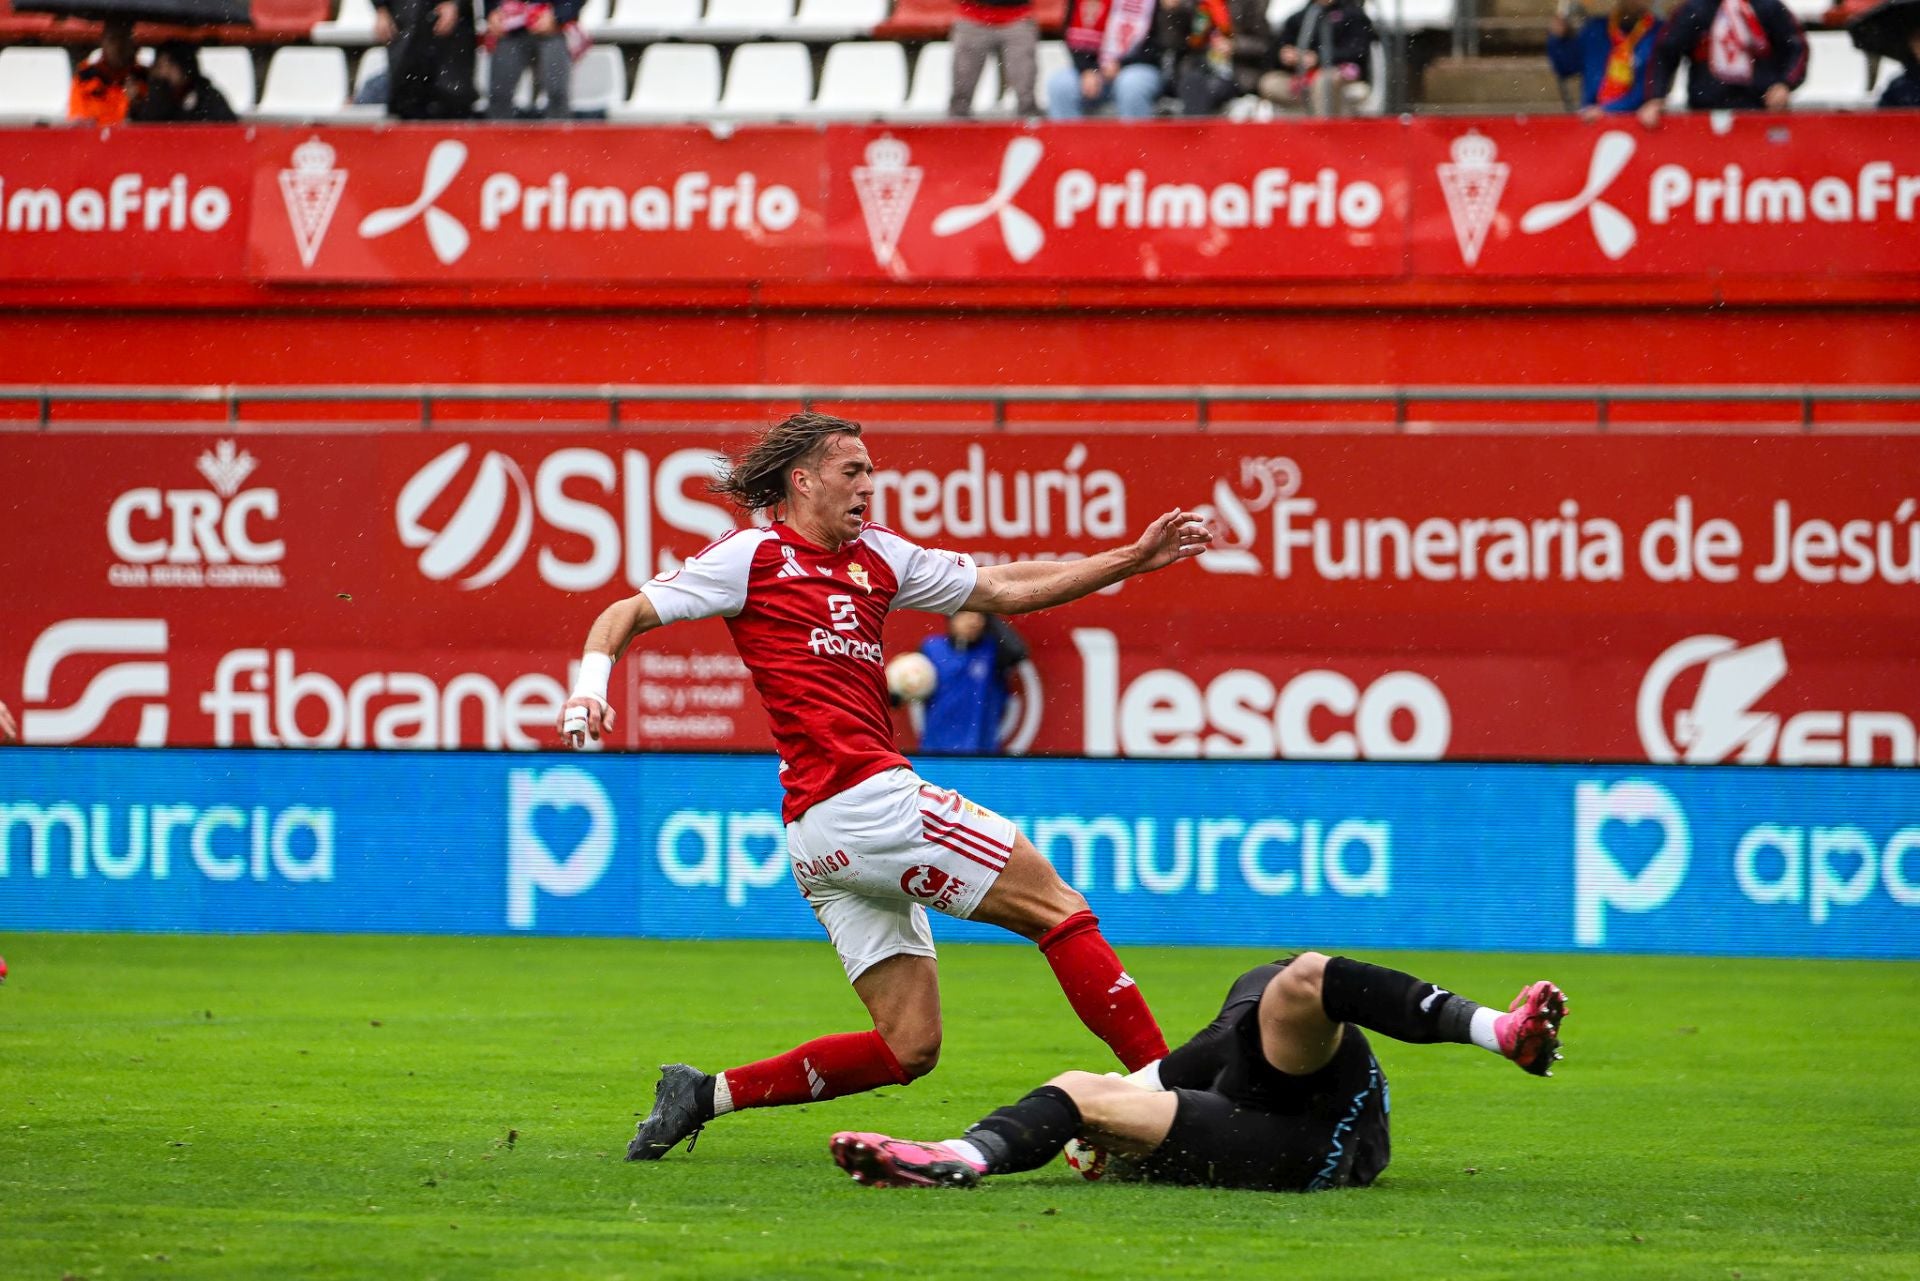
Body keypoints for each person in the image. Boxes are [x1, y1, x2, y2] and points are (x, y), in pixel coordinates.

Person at [557, 413, 1212, 1160]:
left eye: (871, 470)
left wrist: (1129, 558)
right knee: (1058, 910)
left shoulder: (880, 558)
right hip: (866, 801)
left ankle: (703, 1093)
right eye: (852, 471)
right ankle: (1169, 1099)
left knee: (908, 1045)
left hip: (818, 836)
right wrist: (588, 688)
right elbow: (628, 612)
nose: (869, 484)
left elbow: (1000, 586)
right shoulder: (751, 555)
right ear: (801, 480)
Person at [830, 953, 1567, 1192]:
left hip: (1315, 1130)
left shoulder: (1226, 1034)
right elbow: (1120, 1100)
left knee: (1300, 979)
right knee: (1086, 1089)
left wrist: (1096, 1136)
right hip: (1311, 1139)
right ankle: (957, 1157)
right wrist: (1098, 1132)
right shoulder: (1232, 1033)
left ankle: (1500, 1033)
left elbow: (1132, 1093)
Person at [1640, 0, 1807, 125]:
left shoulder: (1768, 7)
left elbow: (1797, 48)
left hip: (1761, 113)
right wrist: (1656, 97)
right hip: (1705, 117)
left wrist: (1784, 84)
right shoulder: (1695, 9)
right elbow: (1666, 52)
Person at [916, 611, 1028, 755]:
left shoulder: (993, 651)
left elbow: (1018, 652)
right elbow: (907, 690)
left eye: (980, 615)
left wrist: (989, 611)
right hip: (935, 754)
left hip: (982, 756)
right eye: (967, 614)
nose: (974, 620)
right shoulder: (931, 648)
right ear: (952, 617)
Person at [1048, 0, 1168, 119]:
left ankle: (1135, 137)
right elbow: (1070, 34)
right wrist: (1087, 69)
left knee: (1131, 84)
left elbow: (1160, 43)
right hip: (1094, 69)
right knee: (1060, 84)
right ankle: (1071, 137)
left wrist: (1121, 64)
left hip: (1139, 65)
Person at [1157, 0, 1274, 116]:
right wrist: (1171, 12)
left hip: (1236, 73)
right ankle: (1197, 129)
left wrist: (1234, 45)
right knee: (1193, 83)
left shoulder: (1249, 4)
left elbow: (1265, 45)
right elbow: (1171, 43)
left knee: (1208, 88)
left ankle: (1196, 130)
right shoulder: (1191, 4)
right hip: (1197, 67)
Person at [1547, 0, 1663, 117]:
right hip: (1592, 118)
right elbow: (1566, 67)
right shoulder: (1595, 29)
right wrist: (1559, 39)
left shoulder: (1660, 33)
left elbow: (1648, 88)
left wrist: (1608, 110)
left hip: (1637, 119)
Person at [1262, 0, 1378, 115]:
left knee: (1324, 81)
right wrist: (1285, 56)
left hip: (1339, 74)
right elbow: (1278, 49)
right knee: (1270, 82)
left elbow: (1358, 51)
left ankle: (1323, 130)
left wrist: (1318, 58)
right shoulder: (1299, 17)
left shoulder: (1353, 16)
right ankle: (1296, 128)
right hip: (1302, 77)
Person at [374, 0, 478, 120]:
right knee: (406, 98)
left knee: (451, 99)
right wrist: (380, 8)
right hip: (406, 27)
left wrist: (455, 3)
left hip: (449, 40)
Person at [485, 0, 587, 120]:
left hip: (553, 30)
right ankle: (497, 137)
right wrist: (492, 11)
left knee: (557, 93)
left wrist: (558, 15)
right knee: (499, 94)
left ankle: (558, 136)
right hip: (510, 30)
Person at [951, 0, 1040, 117]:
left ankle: (1030, 126)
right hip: (972, 16)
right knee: (962, 85)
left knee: (1025, 86)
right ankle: (958, 126)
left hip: (1017, 17)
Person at [130, 42, 238, 123]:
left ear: (184, 67)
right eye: (160, 66)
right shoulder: (151, 97)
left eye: (171, 65)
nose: (165, 72)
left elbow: (227, 126)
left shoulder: (209, 97)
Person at [69, 17, 148, 126]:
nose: (118, 46)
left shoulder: (144, 77)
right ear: (102, 42)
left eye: (123, 39)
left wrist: (135, 104)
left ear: (132, 42)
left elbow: (154, 120)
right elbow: (77, 120)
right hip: (94, 140)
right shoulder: (85, 77)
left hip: (133, 140)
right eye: (113, 39)